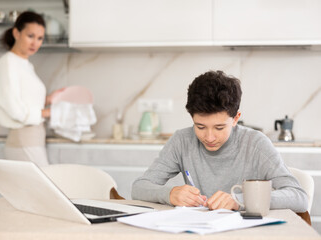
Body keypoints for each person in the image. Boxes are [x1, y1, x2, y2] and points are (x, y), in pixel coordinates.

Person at [131, 70, 308, 213]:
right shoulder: (182, 141)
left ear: (236, 118)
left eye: (219, 128)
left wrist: (240, 201)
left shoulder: (255, 144)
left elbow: (298, 197)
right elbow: (139, 188)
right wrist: (169, 193)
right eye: (200, 127)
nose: (209, 137)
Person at [0, 11, 63, 167]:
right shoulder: (8, 62)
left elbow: (24, 100)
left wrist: (47, 100)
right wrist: (45, 112)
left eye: (40, 38)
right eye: (30, 36)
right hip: (24, 140)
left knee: (36, 190)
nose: (35, 43)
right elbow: (12, 107)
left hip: (33, 139)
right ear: (16, 33)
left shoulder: (26, 65)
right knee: (44, 189)